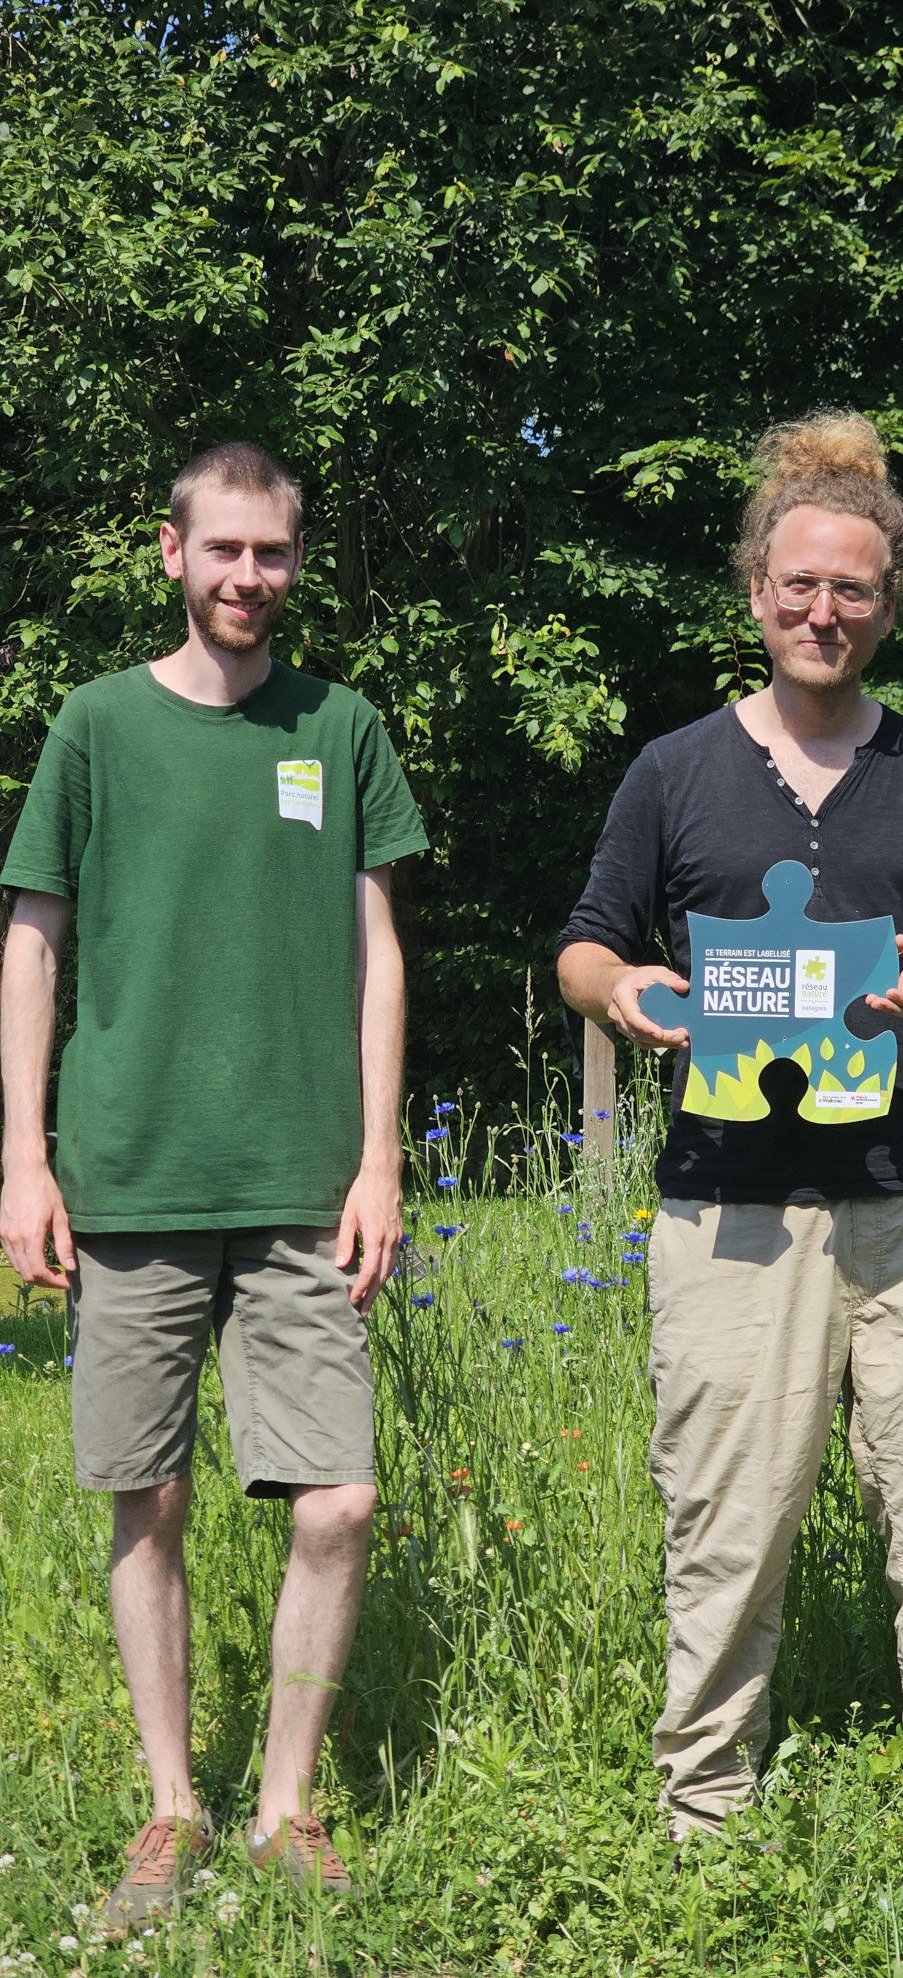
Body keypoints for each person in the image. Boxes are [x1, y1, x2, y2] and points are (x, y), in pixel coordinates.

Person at [557, 411, 903, 1892]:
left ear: (893, 604)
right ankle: (709, 1819)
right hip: (727, 1217)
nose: (826, 612)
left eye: (857, 590)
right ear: (756, 589)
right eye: (800, 584)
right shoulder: (674, 772)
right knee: (729, 1525)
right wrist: (628, 995)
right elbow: (586, 944)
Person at [0, 443, 427, 1928]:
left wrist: (380, 1160)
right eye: (224, 550)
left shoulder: (342, 727)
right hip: (129, 1174)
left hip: (308, 1183)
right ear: (171, 553)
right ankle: (174, 1808)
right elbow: (35, 941)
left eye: (274, 554)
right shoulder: (98, 726)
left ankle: (287, 1808)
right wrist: (21, 1152)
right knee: (149, 1494)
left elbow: (381, 953)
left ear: (297, 565)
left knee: (341, 1502)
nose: (250, 577)